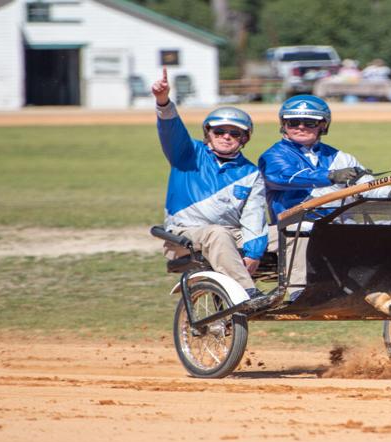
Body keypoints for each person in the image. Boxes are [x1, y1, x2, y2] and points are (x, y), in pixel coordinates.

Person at [149, 67, 268, 302]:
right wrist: (163, 101)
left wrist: (254, 253)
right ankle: (248, 293)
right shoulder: (188, 153)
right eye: (220, 131)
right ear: (208, 133)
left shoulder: (251, 172)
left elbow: (254, 216)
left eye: (234, 133)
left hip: (232, 234)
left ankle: (302, 292)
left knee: (291, 234)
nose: (226, 136)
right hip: (186, 234)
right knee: (217, 233)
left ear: (244, 139)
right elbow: (171, 129)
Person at [258, 94, 377, 295]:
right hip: (292, 226)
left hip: (338, 226)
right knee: (302, 229)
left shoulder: (340, 157)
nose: (301, 127)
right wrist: (330, 176)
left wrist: (389, 191)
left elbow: (366, 184)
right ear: (284, 124)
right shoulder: (273, 156)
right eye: (294, 122)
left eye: (310, 122)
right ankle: (298, 292)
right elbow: (284, 176)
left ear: (323, 125)